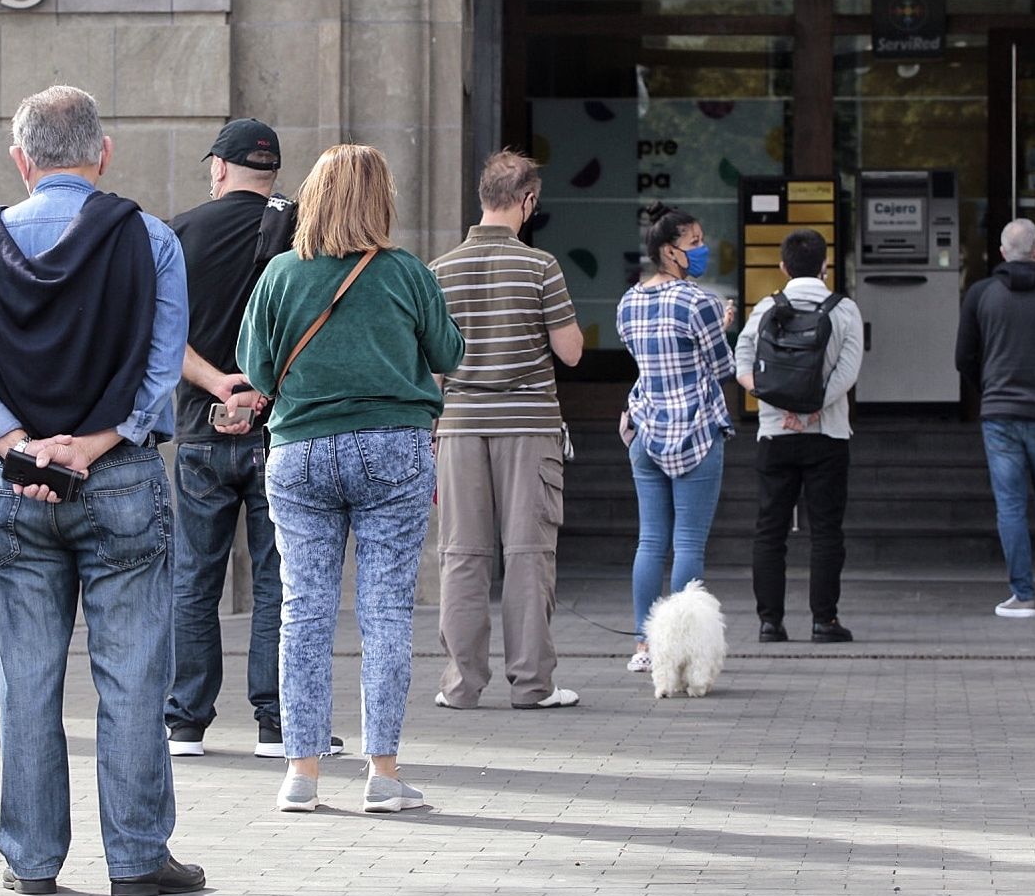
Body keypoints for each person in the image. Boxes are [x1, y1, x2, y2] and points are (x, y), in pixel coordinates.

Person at [0, 86, 204, 896]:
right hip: (118, 480)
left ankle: (33, 861)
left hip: (15, 494)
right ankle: (137, 858)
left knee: (26, 680)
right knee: (132, 677)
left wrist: (22, 449)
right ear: (104, 151)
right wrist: (91, 443)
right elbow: (161, 370)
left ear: (21, 160)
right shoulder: (150, 240)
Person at [237, 144, 464, 814]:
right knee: (385, 610)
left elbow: (255, 367)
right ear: (381, 200)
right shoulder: (406, 273)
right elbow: (449, 351)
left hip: (300, 452)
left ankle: (301, 773)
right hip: (392, 449)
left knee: (303, 611)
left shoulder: (280, 274)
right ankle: (383, 775)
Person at [164, 118, 340, 760]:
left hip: (199, 431)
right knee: (281, 580)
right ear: (273, 173)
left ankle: (185, 722)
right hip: (284, 431)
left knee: (193, 578)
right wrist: (260, 389)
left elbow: (159, 336)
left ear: (218, 169)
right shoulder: (305, 233)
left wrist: (219, 386)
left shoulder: (180, 232)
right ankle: (277, 722)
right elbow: (318, 329)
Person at [430, 150, 584, 710]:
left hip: (459, 427)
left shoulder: (439, 270)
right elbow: (570, 353)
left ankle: (461, 685)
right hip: (529, 426)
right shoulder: (540, 266)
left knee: (461, 555)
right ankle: (532, 685)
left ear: (481, 198)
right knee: (527, 554)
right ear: (528, 201)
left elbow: (431, 366)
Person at [616, 205, 737, 674]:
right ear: (671, 251)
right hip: (695, 431)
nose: (701, 249)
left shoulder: (629, 302)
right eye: (694, 242)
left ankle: (644, 646)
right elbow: (722, 367)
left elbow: (646, 357)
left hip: (646, 430)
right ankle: (680, 649)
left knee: (650, 542)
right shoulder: (700, 303)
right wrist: (721, 329)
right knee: (688, 545)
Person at [734, 228, 864, 643]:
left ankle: (770, 622)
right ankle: (824, 621)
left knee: (770, 528)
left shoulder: (767, 308)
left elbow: (742, 359)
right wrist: (812, 411)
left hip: (776, 433)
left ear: (783, 266)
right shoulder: (844, 310)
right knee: (826, 530)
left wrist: (774, 402)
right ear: (826, 266)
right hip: (827, 433)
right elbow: (847, 373)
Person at [955, 218, 1035, 619]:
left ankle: (1023, 596)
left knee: (1010, 506)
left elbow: (964, 358)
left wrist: (990, 389)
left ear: (1001, 252)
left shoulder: (980, 294)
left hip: (1000, 415)